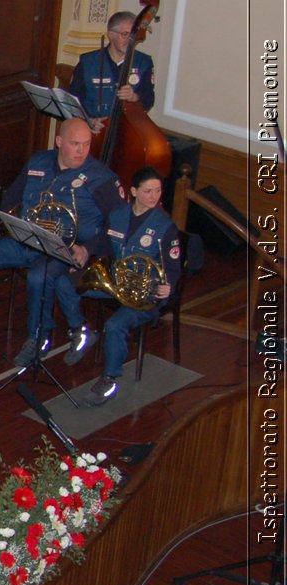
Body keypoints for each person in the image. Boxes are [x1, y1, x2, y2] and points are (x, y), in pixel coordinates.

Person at [0, 117, 123, 364]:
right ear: (59, 142)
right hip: (28, 238)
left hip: (66, 249)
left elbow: (118, 224)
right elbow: (12, 196)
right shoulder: (38, 161)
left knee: (38, 277)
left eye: (86, 144)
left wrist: (89, 248)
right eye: (75, 144)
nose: (81, 151)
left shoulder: (101, 178)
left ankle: (38, 338)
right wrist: (6, 223)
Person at [53, 166, 180, 406]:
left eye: (158, 191)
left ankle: (109, 379)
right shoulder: (118, 214)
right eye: (148, 191)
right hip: (115, 282)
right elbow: (103, 241)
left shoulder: (165, 228)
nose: (154, 196)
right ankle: (79, 331)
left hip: (146, 294)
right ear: (133, 191)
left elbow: (172, 267)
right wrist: (85, 249)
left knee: (114, 326)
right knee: (64, 283)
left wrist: (168, 286)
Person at [70, 11, 155, 137]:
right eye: (125, 34)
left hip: (127, 132)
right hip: (92, 132)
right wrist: (88, 121)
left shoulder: (144, 62)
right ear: (110, 34)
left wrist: (134, 97)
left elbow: (149, 98)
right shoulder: (88, 61)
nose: (130, 40)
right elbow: (74, 99)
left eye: (133, 34)